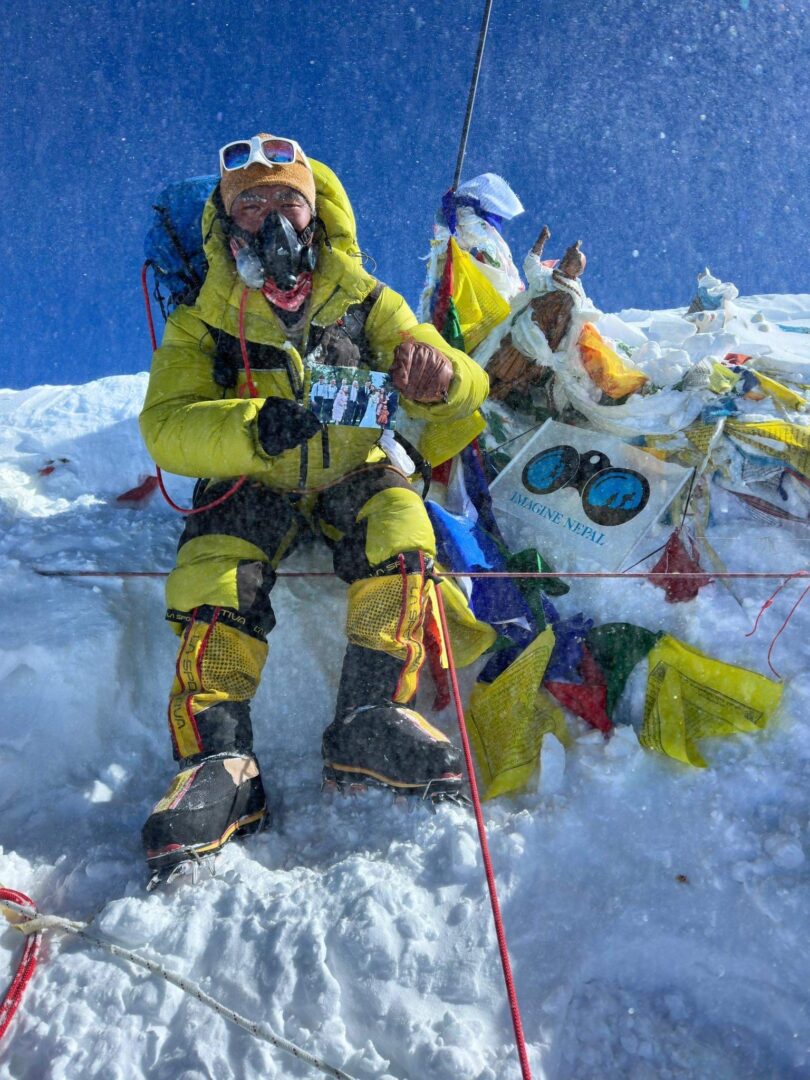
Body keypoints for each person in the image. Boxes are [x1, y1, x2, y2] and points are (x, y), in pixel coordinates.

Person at [138, 133, 491, 878]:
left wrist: (440, 375)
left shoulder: (368, 300)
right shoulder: (203, 320)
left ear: (316, 211)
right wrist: (248, 429)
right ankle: (219, 763)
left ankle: (369, 716)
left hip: (348, 467)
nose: (274, 220)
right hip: (252, 478)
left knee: (401, 526)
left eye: (287, 201)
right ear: (226, 224)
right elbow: (164, 426)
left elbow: (466, 380)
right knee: (217, 569)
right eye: (252, 204)